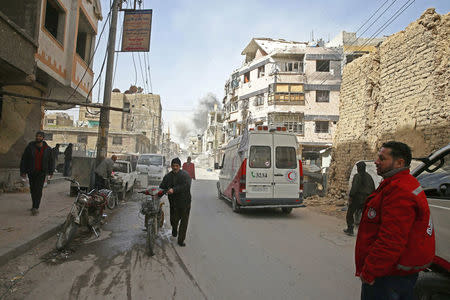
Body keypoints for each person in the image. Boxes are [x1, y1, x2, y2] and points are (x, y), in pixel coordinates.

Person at [355, 141, 435, 300]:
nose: (376, 162)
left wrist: (370, 272)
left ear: (399, 162)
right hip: (393, 273)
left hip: (388, 276)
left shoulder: (399, 190)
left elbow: (391, 240)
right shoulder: (396, 183)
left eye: (382, 159)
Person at [20, 131, 54, 216]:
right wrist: (23, 171)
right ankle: (34, 205)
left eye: (40, 136)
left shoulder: (47, 149)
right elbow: (24, 160)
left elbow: (51, 161)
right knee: (33, 189)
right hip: (32, 172)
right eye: (37, 136)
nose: (38, 138)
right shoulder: (30, 147)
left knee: (38, 190)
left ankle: (36, 207)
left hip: (41, 172)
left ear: (43, 138)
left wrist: (51, 172)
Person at [159, 157, 192, 247]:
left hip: (185, 202)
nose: (175, 167)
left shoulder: (185, 175)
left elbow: (186, 186)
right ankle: (174, 228)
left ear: (180, 166)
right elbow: (162, 186)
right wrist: (157, 194)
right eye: (173, 166)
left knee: (184, 222)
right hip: (174, 204)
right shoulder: (168, 176)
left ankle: (181, 240)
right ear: (171, 166)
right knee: (174, 220)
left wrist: (174, 190)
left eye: (177, 166)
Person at [343, 161, 375, 236]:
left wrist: (351, 197)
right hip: (367, 199)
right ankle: (366, 231)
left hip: (358, 198)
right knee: (366, 215)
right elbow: (373, 188)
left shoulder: (357, 176)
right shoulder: (369, 176)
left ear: (358, 168)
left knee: (350, 213)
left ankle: (350, 229)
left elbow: (354, 188)